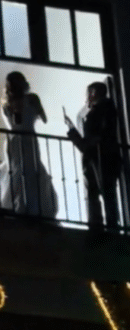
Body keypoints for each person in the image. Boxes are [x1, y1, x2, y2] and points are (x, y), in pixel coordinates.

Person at [0, 71, 58, 218]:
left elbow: (43, 118)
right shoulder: (9, 104)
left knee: (31, 168)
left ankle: (31, 207)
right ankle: (22, 206)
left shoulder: (29, 99)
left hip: (25, 138)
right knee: (20, 170)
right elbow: (18, 123)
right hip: (19, 138)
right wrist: (20, 110)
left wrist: (30, 109)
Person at [64, 82, 121, 229]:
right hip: (104, 157)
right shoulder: (108, 109)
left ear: (94, 92)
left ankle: (101, 227)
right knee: (106, 194)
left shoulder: (99, 111)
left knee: (99, 194)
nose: (86, 97)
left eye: (88, 93)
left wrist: (73, 132)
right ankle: (110, 226)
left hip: (99, 159)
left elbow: (90, 141)